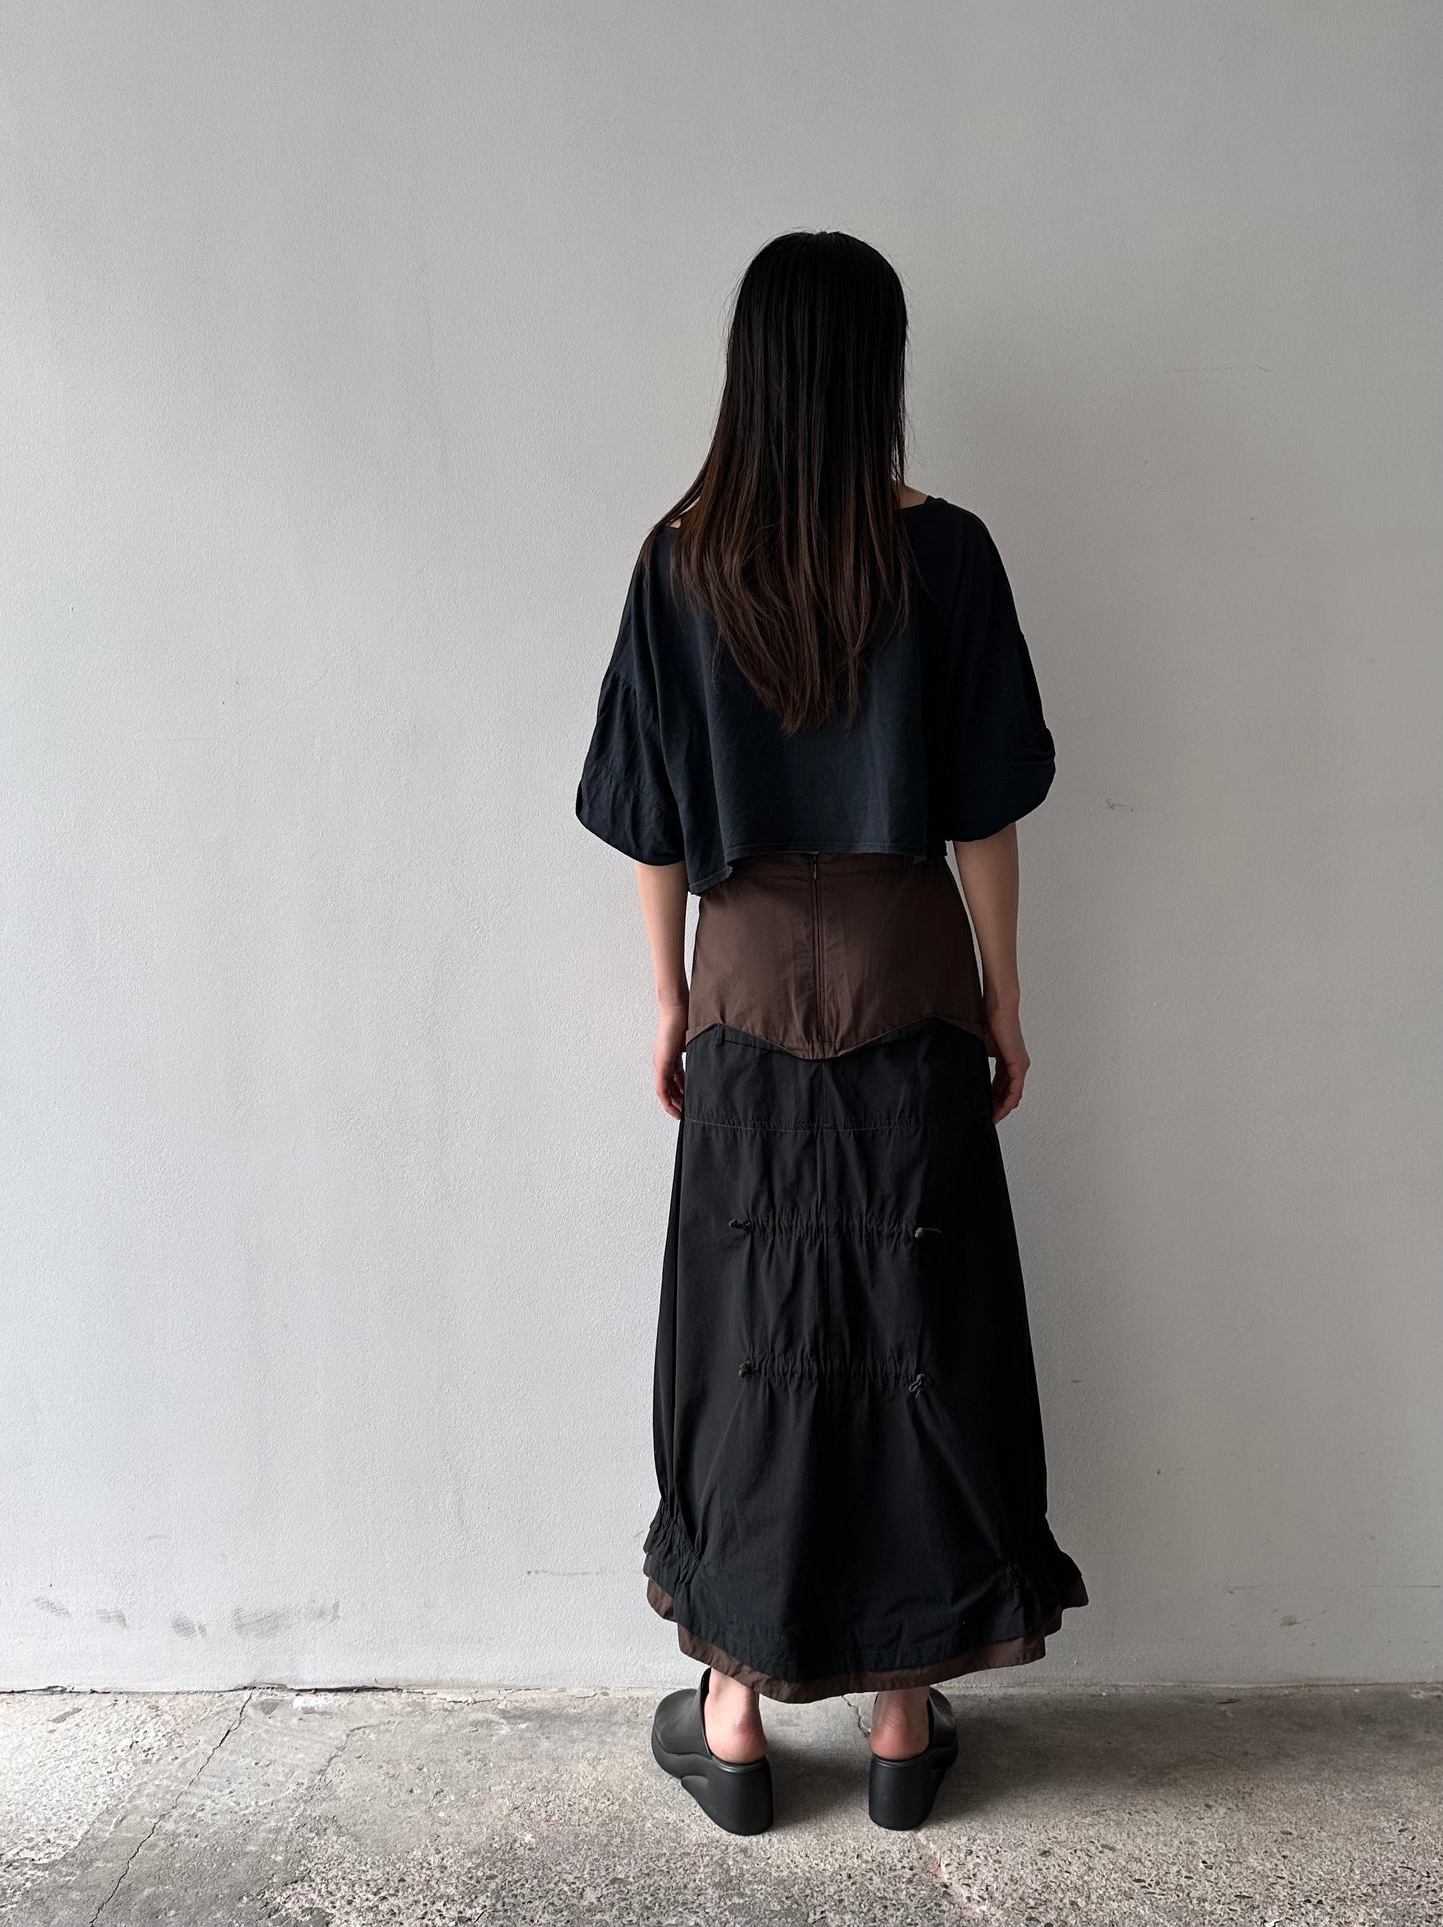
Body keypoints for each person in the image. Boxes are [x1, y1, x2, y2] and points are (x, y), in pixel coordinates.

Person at [575, 229, 1086, 1835]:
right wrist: (1003, 992)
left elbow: (652, 820)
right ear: (877, 370)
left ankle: (731, 1717)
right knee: (916, 1327)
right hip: (908, 977)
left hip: (741, 982)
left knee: (746, 1341)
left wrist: (672, 998)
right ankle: (897, 1722)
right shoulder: (949, 556)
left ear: (751, 367)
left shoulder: (678, 560)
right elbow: (984, 807)